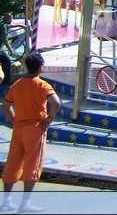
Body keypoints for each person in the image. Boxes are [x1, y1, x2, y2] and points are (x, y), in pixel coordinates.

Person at [1, 52, 61, 213]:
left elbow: (6, 106)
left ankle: (6, 200)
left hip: (19, 128)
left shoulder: (17, 84)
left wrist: (14, 120)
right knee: (32, 165)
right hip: (35, 128)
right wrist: (50, 118)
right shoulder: (42, 85)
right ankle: (25, 203)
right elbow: (56, 102)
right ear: (41, 67)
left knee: (13, 162)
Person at [0, 13, 13, 86]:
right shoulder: (3, 27)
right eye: (10, 19)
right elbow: (4, 40)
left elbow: (10, 26)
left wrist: (20, 25)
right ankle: (5, 83)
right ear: (8, 19)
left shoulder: (2, 24)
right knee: (7, 62)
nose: (11, 21)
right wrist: (11, 50)